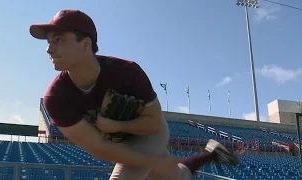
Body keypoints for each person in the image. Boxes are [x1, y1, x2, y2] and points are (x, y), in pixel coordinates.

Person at [29, 9, 239, 180]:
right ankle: (212, 153)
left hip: (148, 133)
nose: (49, 49)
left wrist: (117, 126)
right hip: (117, 144)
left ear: (85, 44)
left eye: (58, 40)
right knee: (176, 176)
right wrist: (154, 161)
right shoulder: (55, 98)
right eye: (49, 42)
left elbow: (154, 124)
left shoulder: (127, 72)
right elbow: (99, 148)